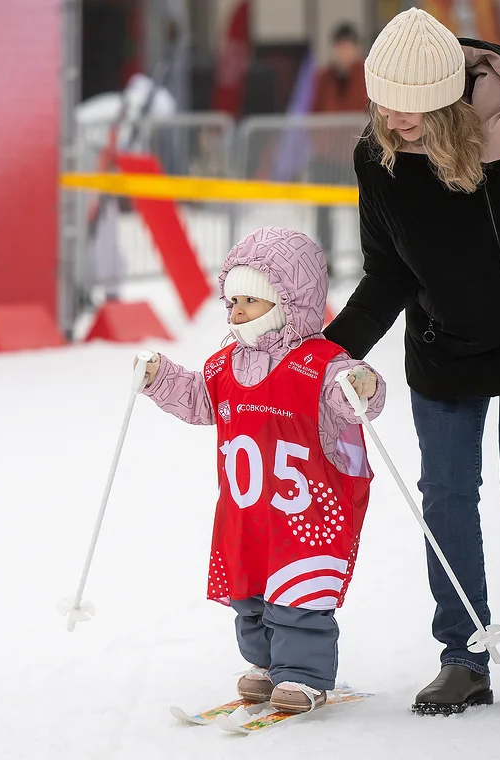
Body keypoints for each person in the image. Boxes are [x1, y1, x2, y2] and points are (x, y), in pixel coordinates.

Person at [324, 8, 500, 714]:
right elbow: (388, 271)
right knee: (446, 494)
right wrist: (327, 352)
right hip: (444, 345)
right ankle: (464, 655)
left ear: (447, 95)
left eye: (409, 103)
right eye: (382, 98)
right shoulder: (378, 154)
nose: (393, 115)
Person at [138, 226, 385, 714]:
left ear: (288, 301)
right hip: (247, 512)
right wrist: (160, 377)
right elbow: (196, 400)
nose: (235, 312)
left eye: (249, 299)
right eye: (231, 301)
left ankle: (303, 673)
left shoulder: (320, 364)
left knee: (299, 594)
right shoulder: (226, 364)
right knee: (248, 595)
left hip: (306, 513)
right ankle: (266, 663)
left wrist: (362, 386)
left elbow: (350, 402)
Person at [310, 23, 370, 278]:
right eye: (340, 46)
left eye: (348, 46)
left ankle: (370, 258)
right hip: (326, 155)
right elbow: (314, 111)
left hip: (356, 154)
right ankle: (327, 258)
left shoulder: (367, 74)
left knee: (367, 210)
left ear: (356, 49)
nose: (344, 52)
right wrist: (317, 139)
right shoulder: (323, 77)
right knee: (323, 210)